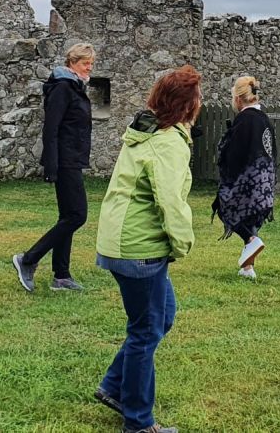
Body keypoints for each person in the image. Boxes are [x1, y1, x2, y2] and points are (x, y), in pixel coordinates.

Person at [92, 65, 198, 433]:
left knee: (161, 316)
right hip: (138, 248)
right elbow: (169, 200)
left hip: (121, 240)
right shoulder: (167, 141)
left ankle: (114, 386)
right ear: (188, 106)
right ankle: (138, 422)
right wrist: (183, 242)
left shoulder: (145, 129)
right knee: (145, 330)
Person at [13, 42, 96, 293]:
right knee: (77, 216)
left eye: (91, 64)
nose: (89, 68)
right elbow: (51, 127)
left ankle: (61, 276)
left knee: (67, 217)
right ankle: (27, 259)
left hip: (73, 158)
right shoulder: (62, 87)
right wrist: (51, 164)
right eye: (85, 63)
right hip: (64, 160)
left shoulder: (75, 87)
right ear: (72, 63)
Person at [212, 75, 275, 280]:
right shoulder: (264, 118)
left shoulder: (244, 119)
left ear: (238, 98)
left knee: (224, 207)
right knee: (252, 219)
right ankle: (248, 268)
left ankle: (250, 239)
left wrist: (226, 168)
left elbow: (234, 152)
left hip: (247, 177)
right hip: (264, 178)